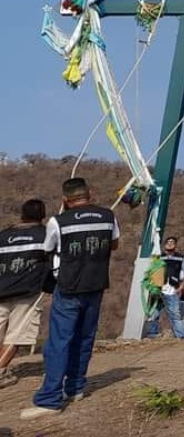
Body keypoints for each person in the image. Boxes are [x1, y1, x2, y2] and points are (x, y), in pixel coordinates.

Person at [22, 178, 119, 419]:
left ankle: (49, 399)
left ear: (65, 199)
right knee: (84, 338)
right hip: (95, 285)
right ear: (90, 193)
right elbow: (113, 244)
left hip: (68, 287)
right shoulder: (108, 216)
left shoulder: (58, 221)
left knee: (59, 343)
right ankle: (75, 387)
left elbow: (48, 248)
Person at [0, 200, 51, 389]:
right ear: (42, 216)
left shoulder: (3, 235)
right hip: (27, 293)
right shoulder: (44, 235)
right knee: (16, 336)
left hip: (1, 290)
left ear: (22, 214)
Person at [145, 236, 184, 339]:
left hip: (172, 290)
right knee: (153, 312)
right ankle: (152, 334)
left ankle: (180, 336)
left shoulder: (181, 258)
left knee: (175, 314)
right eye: (168, 242)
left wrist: (181, 287)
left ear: (175, 245)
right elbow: (151, 272)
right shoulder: (159, 257)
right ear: (164, 244)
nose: (170, 244)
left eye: (172, 242)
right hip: (157, 289)